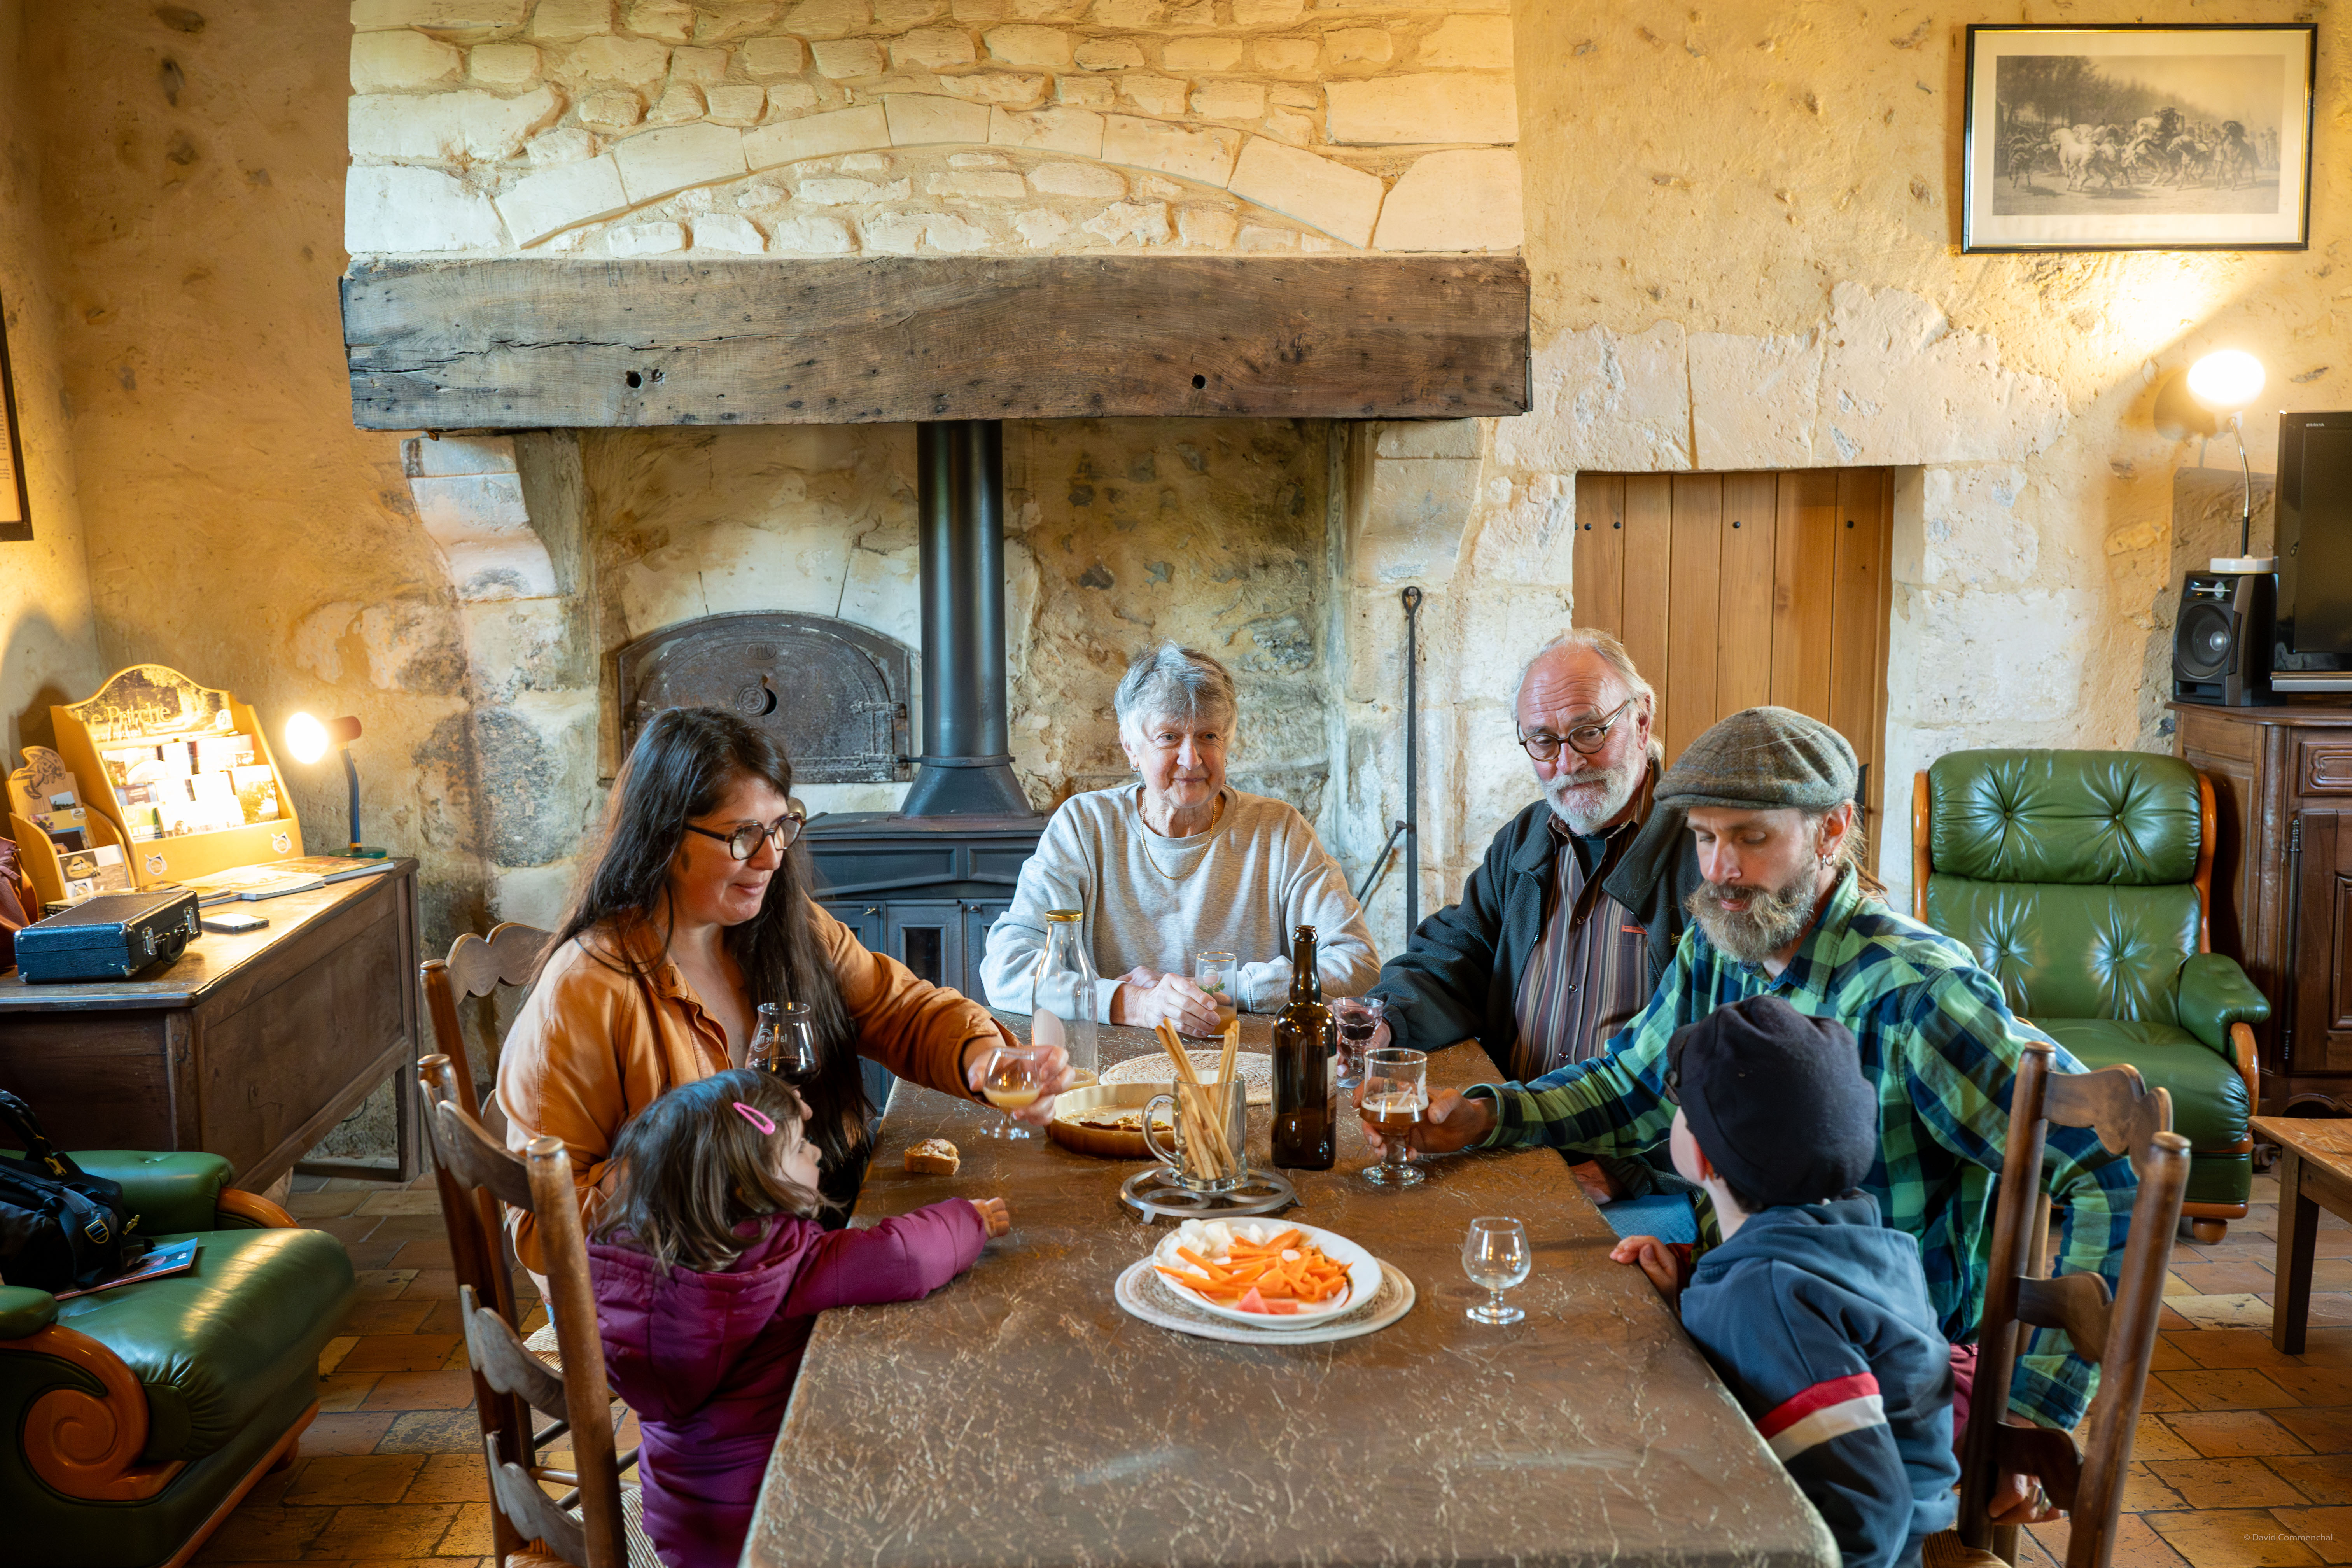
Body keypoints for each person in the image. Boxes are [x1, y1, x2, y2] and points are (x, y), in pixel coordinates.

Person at [1367, 706, 2134, 1529]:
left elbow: (2106, 1170)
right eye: (1703, 837)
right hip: (1746, 1327)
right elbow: (1632, 1086)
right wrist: (1485, 1118)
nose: (1721, 868)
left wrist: (2024, 1417)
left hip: (1883, 1400)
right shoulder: (1719, 943)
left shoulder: (1919, 994)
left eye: (1751, 838)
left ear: (1833, 829)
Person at [499, 706, 1072, 1271]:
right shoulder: (588, 987)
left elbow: (898, 1008)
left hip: (795, 1235)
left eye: (780, 827)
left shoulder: (784, 925)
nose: (773, 857)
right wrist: (718, 1165)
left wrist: (983, 1059)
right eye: (743, 835)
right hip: (697, 1289)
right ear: (665, 837)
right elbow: (546, 1222)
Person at [590, 1068, 1008, 1568]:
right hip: (768, 1515)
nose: (815, 1154)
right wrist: (969, 1220)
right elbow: (903, 1257)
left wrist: (773, 1115)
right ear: (751, 1192)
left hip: (678, 1514)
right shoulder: (779, 1264)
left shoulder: (631, 1262)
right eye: (798, 1148)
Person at [1612, 996, 1957, 1568]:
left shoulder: (1769, 1292)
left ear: (1701, 1155)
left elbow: (1870, 1514)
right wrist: (1685, 1304)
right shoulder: (1849, 1240)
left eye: (1681, 1104)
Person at [1364, 628, 1703, 1200]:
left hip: (1640, 1178)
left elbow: (1716, 1064)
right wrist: (1389, 1019)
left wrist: (1632, 1174)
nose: (1568, 763)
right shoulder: (1527, 838)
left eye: (1589, 732)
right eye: (1543, 741)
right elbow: (1457, 951)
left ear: (1642, 718)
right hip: (1511, 1138)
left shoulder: (1705, 854)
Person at [980, 642, 1377, 1032]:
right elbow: (1008, 968)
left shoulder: (1279, 829)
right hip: (1113, 1067)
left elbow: (1358, 965)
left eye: (1209, 736)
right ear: (1130, 747)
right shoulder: (1085, 825)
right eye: (1169, 737)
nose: (1192, 759)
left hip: (1248, 1064)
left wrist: (1216, 990)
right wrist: (1132, 1003)